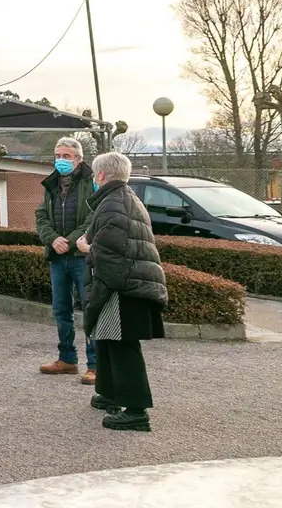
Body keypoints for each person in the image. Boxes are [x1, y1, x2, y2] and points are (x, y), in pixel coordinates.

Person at [77, 151, 167, 432]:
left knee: (122, 345)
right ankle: (111, 394)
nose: (94, 178)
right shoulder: (124, 198)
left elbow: (111, 250)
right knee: (107, 339)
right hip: (130, 280)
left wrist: (86, 247)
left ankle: (136, 411)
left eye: (95, 174)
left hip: (123, 285)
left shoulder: (113, 203)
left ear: (102, 175)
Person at [34, 137, 98, 384]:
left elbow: (93, 218)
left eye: (66, 156)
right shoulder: (51, 184)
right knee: (61, 309)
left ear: (78, 159)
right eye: (57, 155)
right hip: (57, 257)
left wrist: (68, 242)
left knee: (90, 309)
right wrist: (52, 240)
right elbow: (41, 216)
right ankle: (67, 359)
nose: (60, 160)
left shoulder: (91, 182)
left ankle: (96, 365)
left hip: (82, 257)